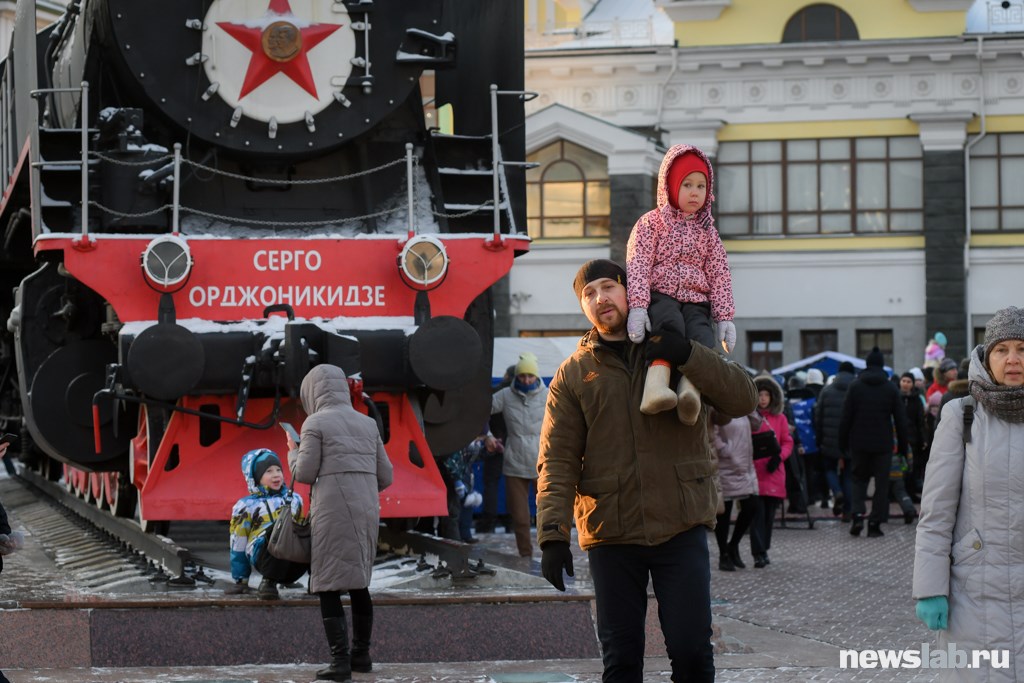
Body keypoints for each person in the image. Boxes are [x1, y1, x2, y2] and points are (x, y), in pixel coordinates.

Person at [536, 259, 757, 682]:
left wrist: (689, 355)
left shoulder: (675, 344)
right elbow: (557, 459)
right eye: (589, 293)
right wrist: (552, 535)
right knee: (621, 660)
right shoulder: (574, 373)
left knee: (693, 653)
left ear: (630, 291)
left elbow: (743, 399)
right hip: (611, 531)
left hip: (681, 522)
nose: (601, 298)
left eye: (608, 287)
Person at [913, 306, 1024, 682]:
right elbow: (936, 513)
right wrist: (930, 588)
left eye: (1022, 349)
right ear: (987, 356)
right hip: (975, 593)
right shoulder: (962, 415)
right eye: (1002, 349)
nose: (1013, 359)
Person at [287, 364, 394, 682]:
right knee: (359, 582)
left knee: (328, 584)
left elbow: (305, 473)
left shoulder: (314, 423)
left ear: (313, 392)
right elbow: (385, 476)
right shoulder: (367, 423)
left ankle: (339, 661)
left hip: (333, 508)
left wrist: (292, 453)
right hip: (366, 508)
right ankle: (361, 655)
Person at [624, 144, 736, 423]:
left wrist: (724, 317)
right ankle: (656, 386)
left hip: (697, 300)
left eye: (701, 185)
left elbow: (719, 274)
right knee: (668, 329)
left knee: (702, 338)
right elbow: (638, 263)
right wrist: (638, 306)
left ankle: (690, 392)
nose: (695, 192)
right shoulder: (652, 223)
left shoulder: (708, 232)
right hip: (661, 295)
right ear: (671, 186)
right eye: (687, 184)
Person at [839, 347, 908, 538]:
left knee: (858, 480)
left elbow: (845, 417)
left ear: (867, 364)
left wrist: (842, 443)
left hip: (858, 442)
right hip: (883, 444)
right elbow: (901, 421)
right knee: (881, 485)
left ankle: (858, 516)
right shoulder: (890, 388)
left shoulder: (855, 386)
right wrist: (903, 447)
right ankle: (875, 523)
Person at [487, 352, 548, 557]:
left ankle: (552, 554)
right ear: (517, 376)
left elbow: (565, 423)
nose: (526, 380)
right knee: (520, 518)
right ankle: (526, 555)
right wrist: (487, 436)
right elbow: (480, 411)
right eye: (522, 376)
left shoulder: (548, 395)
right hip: (514, 462)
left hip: (543, 462)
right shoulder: (505, 395)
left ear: (536, 376)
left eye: (530, 376)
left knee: (548, 514)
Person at [226, 448, 304, 599]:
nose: (276, 475)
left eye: (278, 470)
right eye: (268, 471)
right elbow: (238, 542)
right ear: (255, 478)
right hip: (265, 558)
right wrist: (241, 580)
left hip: (293, 561)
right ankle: (268, 582)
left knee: (314, 529)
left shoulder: (295, 499)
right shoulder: (246, 506)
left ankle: (320, 582)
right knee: (278, 531)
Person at [750, 375, 794, 568]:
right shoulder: (750, 418)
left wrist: (779, 457)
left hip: (774, 473)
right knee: (756, 515)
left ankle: (764, 550)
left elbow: (787, 442)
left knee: (768, 517)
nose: (763, 398)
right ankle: (758, 553)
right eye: (760, 394)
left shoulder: (780, 418)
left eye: (766, 394)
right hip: (755, 473)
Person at [710, 409, 760, 571]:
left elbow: (756, 425)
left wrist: (750, 406)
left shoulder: (742, 405)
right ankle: (723, 554)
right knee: (724, 512)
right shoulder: (718, 404)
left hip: (746, 465)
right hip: (726, 465)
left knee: (752, 505)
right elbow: (711, 430)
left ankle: (733, 545)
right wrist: (726, 450)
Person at [477, 364, 514, 534]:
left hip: (494, 443)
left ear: (506, 375)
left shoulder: (494, 392)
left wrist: (489, 435)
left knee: (491, 484)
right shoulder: (521, 394)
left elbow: (482, 414)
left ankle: (488, 522)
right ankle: (512, 521)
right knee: (515, 485)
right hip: (515, 444)